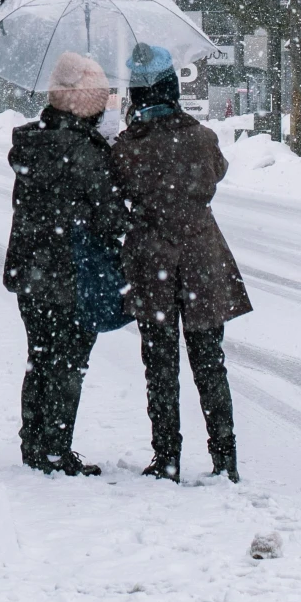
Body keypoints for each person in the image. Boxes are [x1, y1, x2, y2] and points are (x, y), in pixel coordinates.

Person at [112, 40, 251, 483]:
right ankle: (224, 458)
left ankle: (167, 456)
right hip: (202, 258)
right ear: (172, 87)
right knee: (210, 361)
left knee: (160, 362)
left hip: (151, 261)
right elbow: (217, 172)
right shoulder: (200, 138)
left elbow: (118, 198)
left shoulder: (126, 148)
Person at [2, 51, 127, 476]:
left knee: (39, 357)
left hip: (30, 272)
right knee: (69, 362)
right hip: (72, 275)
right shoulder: (86, 153)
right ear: (88, 105)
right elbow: (112, 217)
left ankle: (33, 445)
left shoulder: (32, 142)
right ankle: (56, 449)